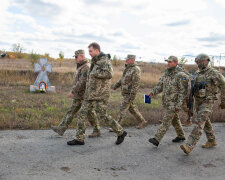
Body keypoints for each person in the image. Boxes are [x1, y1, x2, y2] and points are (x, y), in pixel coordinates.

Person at [67, 42, 127, 146]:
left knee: (103, 115)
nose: (89, 53)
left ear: (96, 50)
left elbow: (109, 74)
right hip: (90, 94)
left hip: (100, 94)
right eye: (89, 51)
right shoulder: (95, 61)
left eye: (90, 51)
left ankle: (120, 132)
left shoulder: (104, 60)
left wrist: (95, 74)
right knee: (82, 113)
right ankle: (79, 138)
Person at [180, 54, 225, 155]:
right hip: (198, 101)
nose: (199, 64)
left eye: (200, 62)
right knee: (205, 121)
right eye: (197, 62)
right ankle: (211, 140)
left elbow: (223, 85)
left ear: (206, 61)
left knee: (199, 122)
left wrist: (223, 101)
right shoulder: (197, 73)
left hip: (208, 101)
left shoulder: (213, 73)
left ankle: (189, 145)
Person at [51, 50, 100, 138]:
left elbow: (82, 82)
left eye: (76, 57)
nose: (75, 59)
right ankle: (61, 129)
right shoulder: (81, 66)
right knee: (72, 111)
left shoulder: (86, 67)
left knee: (90, 113)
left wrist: (73, 91)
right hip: (79, 95)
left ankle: (97, 130)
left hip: (84, 95)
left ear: (81, 56)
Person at [148, 56, 189, 146]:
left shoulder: (181, 75)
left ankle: (157, 139)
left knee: (166, 121)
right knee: (175, 120)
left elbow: (183, 92)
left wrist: (178, 105)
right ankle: (181, 136)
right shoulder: (167, 74)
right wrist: (152, 93)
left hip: (174, 103)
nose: (168, 63)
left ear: (175, 63)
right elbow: (160, 86)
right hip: (167, 102)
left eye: (170, 62)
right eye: (168, 62)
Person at [111, 54, 147, 129]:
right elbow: (123, 79)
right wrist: (116, 85)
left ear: (132, 60)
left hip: (129, 94)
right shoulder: (128, 68)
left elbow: (136, 84)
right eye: (126, 59)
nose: (126, 60)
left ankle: (117, 127)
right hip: (125, 93)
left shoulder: (136, 69)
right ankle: (142, 121)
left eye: (127, 59)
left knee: (122, 108)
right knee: (132, 109)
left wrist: (132, 96)